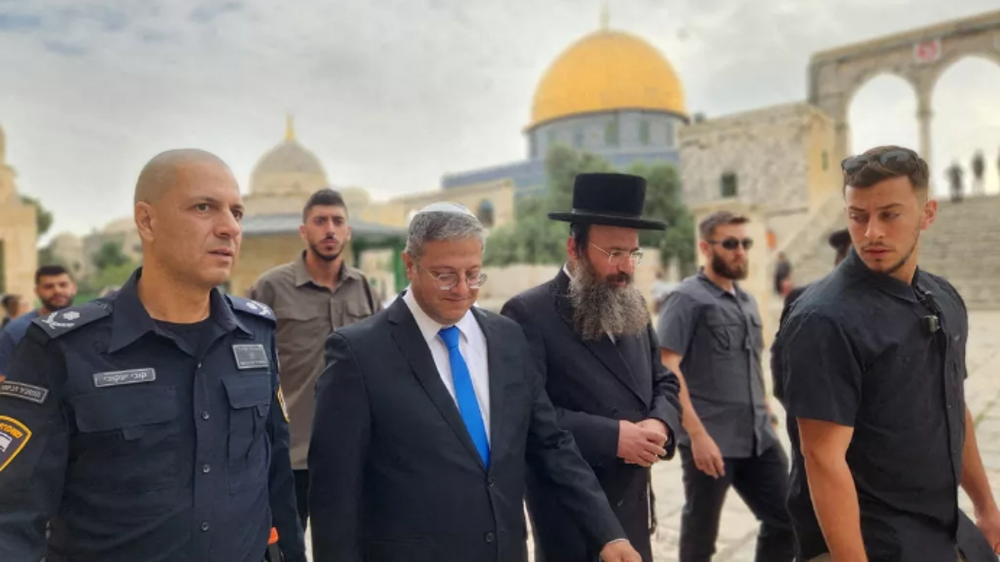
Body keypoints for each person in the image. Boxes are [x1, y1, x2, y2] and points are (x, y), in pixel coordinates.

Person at [0, 149, 305, 562]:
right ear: (147, 220)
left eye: (237, 212)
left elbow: (274, 478)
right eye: (204, 207)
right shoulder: (62, 349)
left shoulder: (255, 332)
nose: (229, 227)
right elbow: (12, 514)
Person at [308, 202, 642, 562]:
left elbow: (551, 444)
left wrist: (608, 534)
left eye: (473, 274)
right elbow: (334, 496)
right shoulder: (358, 353)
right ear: (409, 265)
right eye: (445, 275)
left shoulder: (507, 338)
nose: (462, 289)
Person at [778, 145, 1000, 561]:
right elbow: (822, 458)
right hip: (870, 541)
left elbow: (955, 405)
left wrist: (986, 507)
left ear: (927, 214)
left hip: (941, 527)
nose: (871, 232)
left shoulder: (943, 297)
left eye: (890, 215)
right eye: (858, 216)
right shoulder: (825, 319)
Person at [501, 173, 682, 562]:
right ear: (574, 248)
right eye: (613, 252)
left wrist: (660, 423)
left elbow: (663, 379)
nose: (626, 267)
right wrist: (613, 436)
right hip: (573, 517)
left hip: (633, 506)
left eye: (633, 253)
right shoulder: (528, 313)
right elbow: (531, 418)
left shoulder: (630, 300)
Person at [657, 211, 793, 562]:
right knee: (700, 537)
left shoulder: (746, 301)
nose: (740, 251)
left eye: (745, 243)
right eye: (730, 243)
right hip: (711, 439)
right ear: (705, 247)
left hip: (758, 437)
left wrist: (766, 411)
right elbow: (668, 367)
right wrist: (697, 436)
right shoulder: (687, 298)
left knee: (788, 519)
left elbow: (750, 362)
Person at [249, 187, 382, 527]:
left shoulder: (364, 288)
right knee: (286, 549)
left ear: (348, 231)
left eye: (338, 221)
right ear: (304, 231)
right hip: (291, 453)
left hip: (352, 450)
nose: (330, 230)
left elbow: (383, 360)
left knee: (347, 546)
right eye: (320, 221)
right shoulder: (270, 289)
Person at [0, 266, 77, 377]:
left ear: (73, 288)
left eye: (63, 285)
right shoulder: (16, 331)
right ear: (37, 291)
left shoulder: (93, 325)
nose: (57, 290)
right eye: (48, 287)